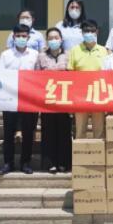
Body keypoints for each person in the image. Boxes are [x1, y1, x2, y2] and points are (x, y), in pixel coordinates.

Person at [0, 24, 40, 175]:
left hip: (29, 100)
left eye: (24, 36)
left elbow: (39, 77)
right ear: (13, 36)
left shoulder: (35, 54)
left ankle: (25, 163)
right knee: (8, 132)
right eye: (18, 36)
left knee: (28, 132)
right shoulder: (5, 55)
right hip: (10, 99)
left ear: (28, 37)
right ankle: (8, 163)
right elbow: (0, 76)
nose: (21, 38)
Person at [36, 28, 71, 174]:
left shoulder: (68, 55)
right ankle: (50, 163)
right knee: (48, 132)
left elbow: (73, 75)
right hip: (47, 101)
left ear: (61, 40)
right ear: (47, 41)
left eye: (56, 37)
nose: (54, 40)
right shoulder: (41, 56)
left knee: (64, 132)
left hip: (64, 100)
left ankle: (64, 163)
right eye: (50, 38)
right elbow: (35, 77)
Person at [68, 19, 108, 139]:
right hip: (80, 94)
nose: (89, 33)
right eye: (86, 31)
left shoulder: (103, 50)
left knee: (99, 130)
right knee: (80, 130)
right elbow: (70, 73)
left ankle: (98, 151)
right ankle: (81, 150)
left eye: (92, 31)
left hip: (98, 94)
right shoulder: (74, 50)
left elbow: (108, 74)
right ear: (82, 32)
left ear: (97, 32)